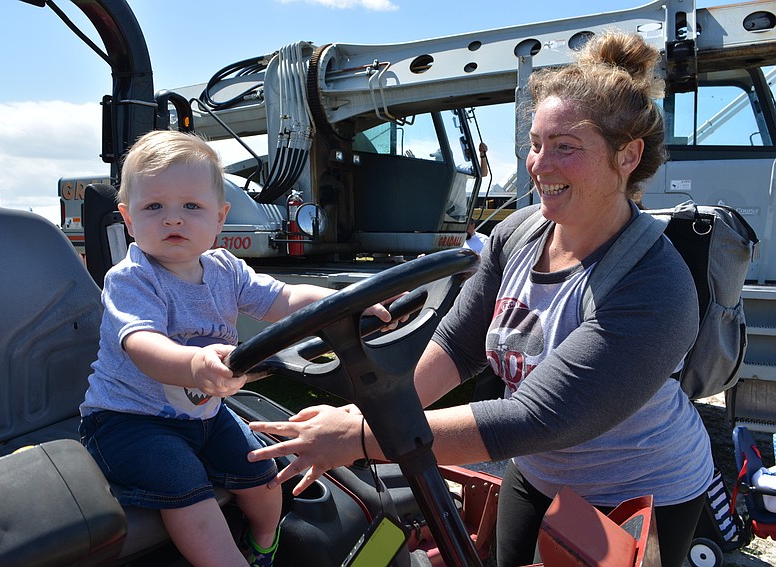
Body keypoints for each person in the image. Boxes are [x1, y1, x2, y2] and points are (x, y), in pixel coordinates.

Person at [246, 30, 711, 567]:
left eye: (566, 147)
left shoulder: (652, 284)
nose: (540, 165)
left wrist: (358, 436)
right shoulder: (519, 232)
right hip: (537, 472)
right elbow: (461, 345)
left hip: (633, 491)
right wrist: (366, 413)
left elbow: (540, 418)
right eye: (536, 143)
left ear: (627, 156)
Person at [78, 130, 393, 567]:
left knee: (263, 476)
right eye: (154, 207)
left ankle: (263, 545)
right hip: (130, 419)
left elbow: (282, 299)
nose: (173, 219)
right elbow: (141, 345)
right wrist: (193, 362)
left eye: (191, 206)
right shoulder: (132, 278)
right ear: (128, 219)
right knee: (188, 490)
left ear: (220, 217)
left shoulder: (226, 268)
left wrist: (342, 300)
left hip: (205, 412)